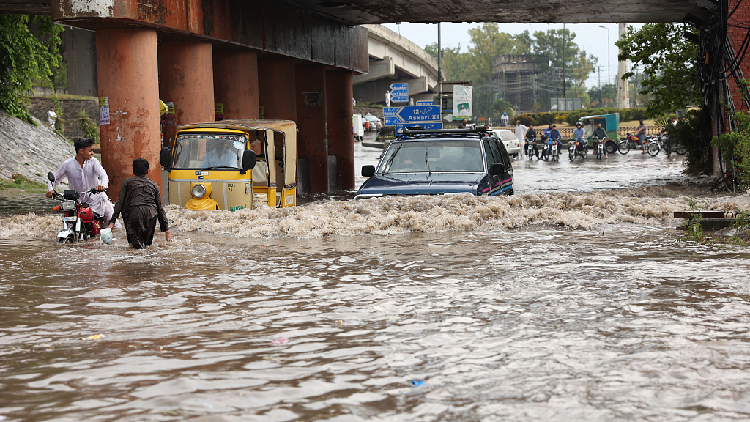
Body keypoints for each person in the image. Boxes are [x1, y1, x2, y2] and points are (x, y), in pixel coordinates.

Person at [47, 137, 115, 225]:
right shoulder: (67, 164)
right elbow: (54, 179)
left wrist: (103, 185)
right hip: (77, 202)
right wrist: (50, 190)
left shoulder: (94, 162)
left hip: (97, 200)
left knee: (112, 223)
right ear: (81, 151)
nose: (92, 153)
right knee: (69, 223)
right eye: (90, 150)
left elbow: (103, 175)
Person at [107, 158, 171, 249]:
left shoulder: (127, 182)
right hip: (151, 214)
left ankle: (136, 263)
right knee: (147, 247)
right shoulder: (154, 184)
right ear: (147, 171)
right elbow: (160, 208)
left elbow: (120, 202)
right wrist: (167, 230)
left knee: (136, 247)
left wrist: (112, 221)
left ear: (133, 171)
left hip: (134, 213)